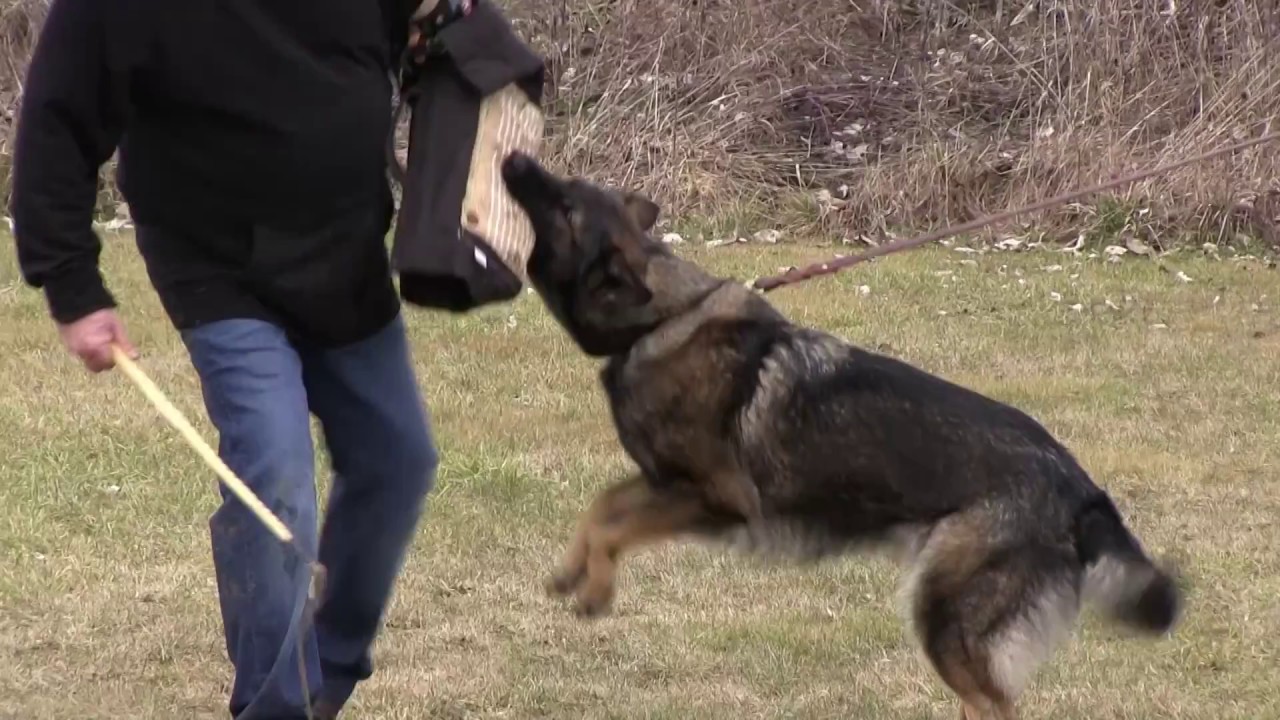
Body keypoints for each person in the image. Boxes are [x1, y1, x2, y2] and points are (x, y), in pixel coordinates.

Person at [10, 1, 438, 718]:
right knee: (273, 481)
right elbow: (57, 115)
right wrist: (71, 284)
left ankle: (321, 674)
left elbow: (422, 38)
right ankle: (274, 708)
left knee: (399, 457)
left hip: (346, 255)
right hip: (217, 264)